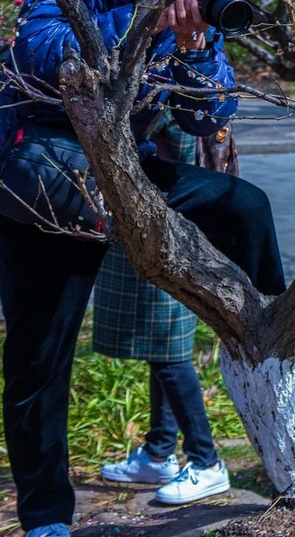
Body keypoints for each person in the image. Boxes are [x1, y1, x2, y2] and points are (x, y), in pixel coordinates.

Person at [0, 0, 295, 537]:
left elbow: (207, 116)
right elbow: (35, 48)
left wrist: (191, 54)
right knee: (40, 358)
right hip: (45, 178)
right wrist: (139, 17)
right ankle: (46, 519)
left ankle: (282, 344)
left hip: (130, 167)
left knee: (242, 207)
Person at [95, 120, 229, 505]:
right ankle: (158, 452)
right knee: (161, 348)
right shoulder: (165, 81)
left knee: (169, 351)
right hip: (160, 221)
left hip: (166, 224)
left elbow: (178, 153)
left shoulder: (170, 88)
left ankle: (207, 462)